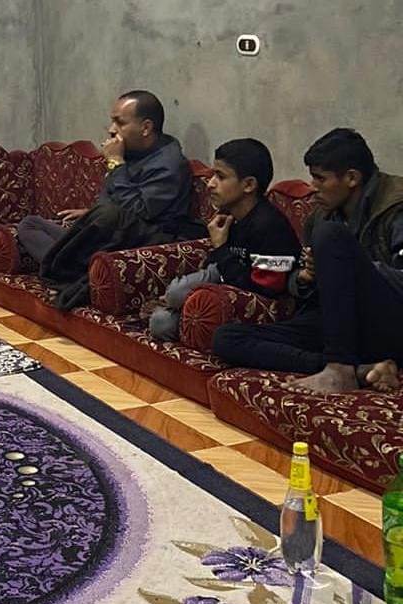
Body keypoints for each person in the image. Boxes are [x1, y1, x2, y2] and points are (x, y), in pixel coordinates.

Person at [213, 128, 403, 392]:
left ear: (351, 178)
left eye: (320, 178)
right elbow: (294, 280)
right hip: (339, 325)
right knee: (227, 338)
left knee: (330, 235)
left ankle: (339, 368)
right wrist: (305, 278)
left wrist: (347, 269)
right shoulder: (322, 215)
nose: (312, 187)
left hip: (387, 323)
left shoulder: (395, 207)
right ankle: (359, 371)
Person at [23, 91, 203, 309]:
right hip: (108, 232)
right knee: (30, 225)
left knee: (105, 217)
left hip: (137, 241)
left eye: (120, 122)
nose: (111, 129)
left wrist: (116, 163)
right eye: (112, 121)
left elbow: (139, 211)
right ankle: (83, 272)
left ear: (146, 127)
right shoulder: (132, 152)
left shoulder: (169, 164)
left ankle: (75, 272)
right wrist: (91, 214)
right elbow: (112, 201)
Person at [149, 139, 301, 341]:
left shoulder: (270, 226)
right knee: (161, 322)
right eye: (213, 175)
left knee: (176, 295)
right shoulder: (229, 216)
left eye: (220, 177)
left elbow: (265, 288)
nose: (210, 184)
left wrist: (220, 247)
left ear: (249, 185)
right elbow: (216, 265)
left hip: (256, 298)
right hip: (226, 278)